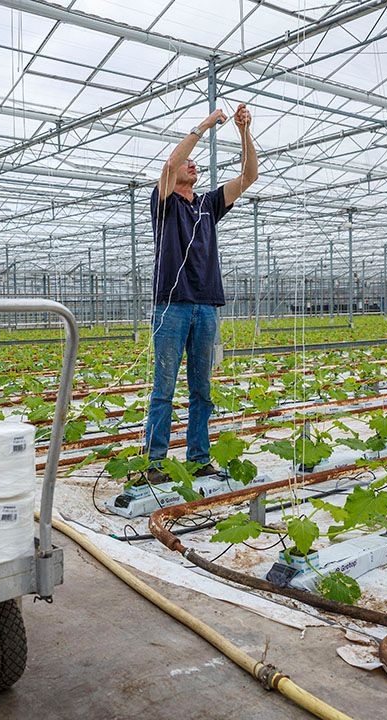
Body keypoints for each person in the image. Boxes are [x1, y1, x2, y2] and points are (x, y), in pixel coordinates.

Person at [143, 103, 259, 483]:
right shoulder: (164, 203)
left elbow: (249, 176)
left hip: (206, 307)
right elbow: (168, 163)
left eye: (195, 163)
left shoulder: (209, 204)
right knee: (163, 389)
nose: (193, 165)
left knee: (202, 390)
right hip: (172, 307)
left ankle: (198, 456)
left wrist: (243, 131)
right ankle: (155, 462)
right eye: (187, 163)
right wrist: (207, 124)